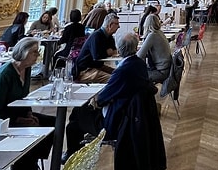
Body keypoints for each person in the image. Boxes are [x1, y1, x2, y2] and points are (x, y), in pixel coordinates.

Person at [64, 32, 155, 160]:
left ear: (120, 49)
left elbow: (101, 100)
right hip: (131, 117)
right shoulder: (139, 65)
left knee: (76, 117)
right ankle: (77, 156)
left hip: (114, 123)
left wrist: (96, 101)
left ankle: (73, 157)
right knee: (78, 115)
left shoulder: (122, 72)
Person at [0, 37, 55, 170]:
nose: (37, 56)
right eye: (34, 52)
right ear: (23, 53)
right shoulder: (4, 75)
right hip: (2, 120)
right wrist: (22, 120)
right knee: (33, 130)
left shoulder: (27, 69)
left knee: (51, 124)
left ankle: (31, 167)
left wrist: (29, 114)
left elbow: (23, 99)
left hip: (18, 114)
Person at [75, 12, 120, 82]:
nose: (119, 26)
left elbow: (114, 51)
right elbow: (96, 56)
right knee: (115, 79)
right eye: (117, 24)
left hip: (97, 66)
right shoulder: (96, 36)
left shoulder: (109, 37)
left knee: (120, 73)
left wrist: (109, 52)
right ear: (110, 25)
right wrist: (107, 52)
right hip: (86, 70)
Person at [136, 14, 172, 83]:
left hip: (160, 72)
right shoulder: (160, 33)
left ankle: (147, 92)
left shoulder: (152, 35)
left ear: (146, 24)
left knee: (134, 75)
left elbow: (139, 56)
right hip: (167, 69)